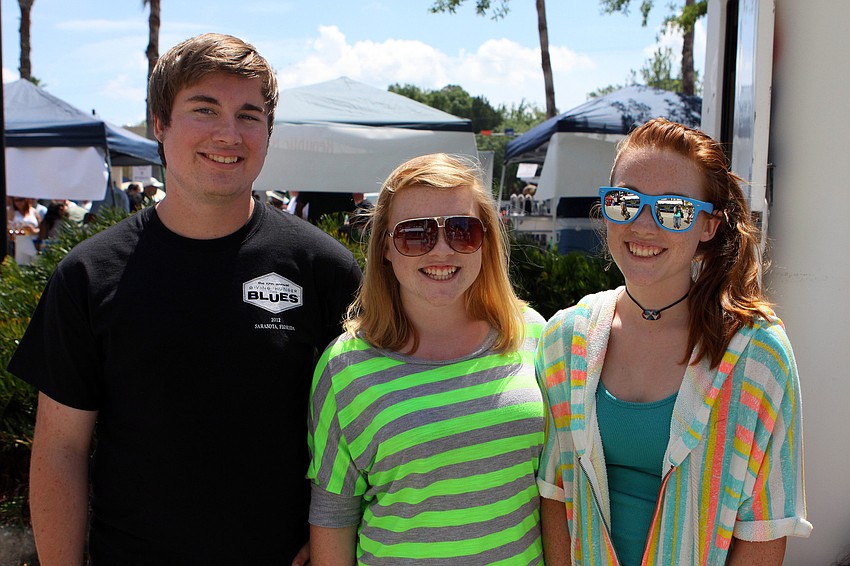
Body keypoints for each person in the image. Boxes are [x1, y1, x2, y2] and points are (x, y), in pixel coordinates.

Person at [7, 33, 362, 566]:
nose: (229, 133)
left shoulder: (323, 269)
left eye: (249, 115)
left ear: (269, 131)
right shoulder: (88, 275)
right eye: (204, 109)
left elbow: (360, 430)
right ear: (160, 124)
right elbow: (61, 449)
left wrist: (334, 539)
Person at [536, 118, 811, 565]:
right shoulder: (564, 339)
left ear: (708, 226)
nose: (643, 224)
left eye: (673, 208)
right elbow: (555, 494)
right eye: (625, 202)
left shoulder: (757, 354)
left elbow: (764, 528)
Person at [308, 153, 546, 564]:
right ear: (385, 247)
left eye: (462, 231)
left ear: (486, 240)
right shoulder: (344, 368)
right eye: (414, 234)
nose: (441, 251)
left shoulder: (534, 336)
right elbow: (333, 516)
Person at [7, 196, 41, 265]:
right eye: (16, 201)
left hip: (34, 242)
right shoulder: (12, 212)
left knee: (35, 262)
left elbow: (41, 229)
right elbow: (8, 228)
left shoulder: (33, 211)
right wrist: (17, 231)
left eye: (21, 200)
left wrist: (33, 230)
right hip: (19, 241)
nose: (18, 203)